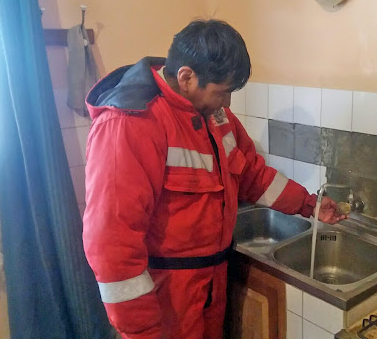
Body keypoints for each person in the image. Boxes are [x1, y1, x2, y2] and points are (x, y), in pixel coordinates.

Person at [82, 19, 347, 339]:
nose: (228, 104)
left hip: (211, 281)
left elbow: (251, 174)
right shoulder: (129, 123)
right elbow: (112, 243)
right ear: (186, 78)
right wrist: (141, 331)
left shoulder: (214, 114)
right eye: (223, 93)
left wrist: (310, 204)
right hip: (166, 294)